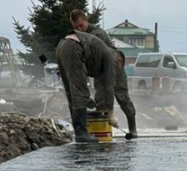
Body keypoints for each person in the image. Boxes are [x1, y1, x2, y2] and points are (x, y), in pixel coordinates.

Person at [71, 10, 138, 139]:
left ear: (86, 21)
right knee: (100, 100)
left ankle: (133, 128)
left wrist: (111, 112)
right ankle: (103, 132)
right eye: (76, 27)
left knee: (122, 97)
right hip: (99, 71)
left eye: (81, 25)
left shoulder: (97, 34)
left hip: (114, 67)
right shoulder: (78, 37)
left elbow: (97, 55)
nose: (79, 29)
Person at [55, 30, 116, 144]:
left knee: (71, 89)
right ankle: (81, 133)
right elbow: (109, 87)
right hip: (73, 46)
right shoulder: (111, 59)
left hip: (62, 45)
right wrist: (111, 115)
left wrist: (88, 99)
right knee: (79, 90)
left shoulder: (101, 53)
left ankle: (79, 131)